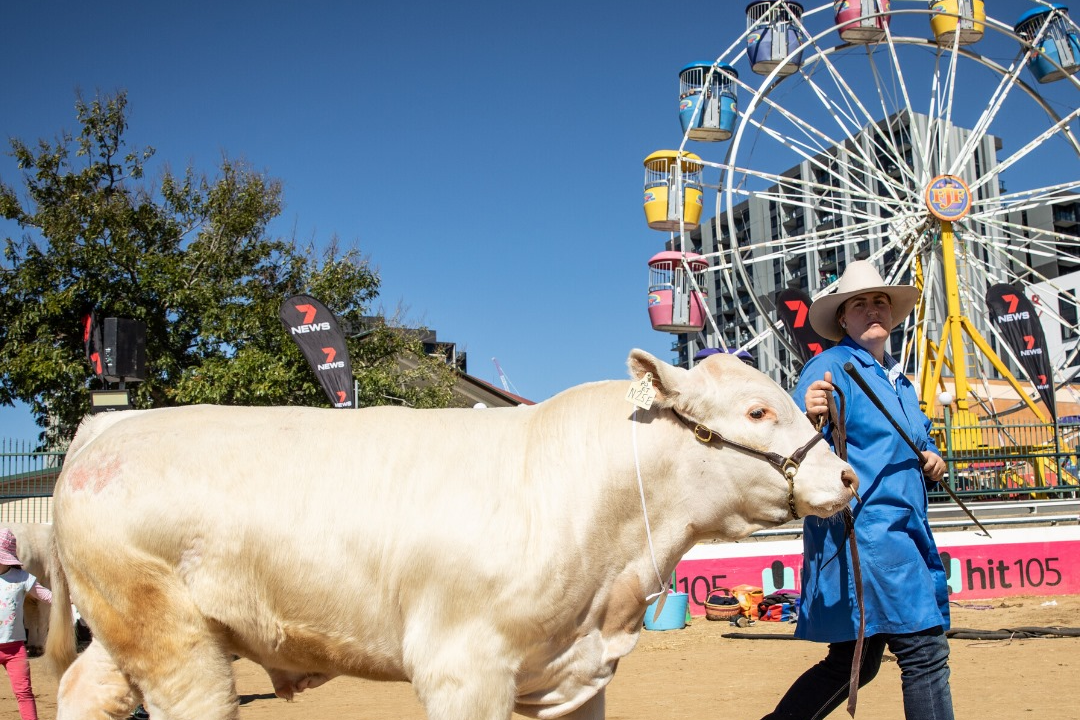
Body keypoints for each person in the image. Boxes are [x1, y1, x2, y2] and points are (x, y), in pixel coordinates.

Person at [761, 260, 954, 720]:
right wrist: (808, 413)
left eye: (880, 302)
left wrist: (933, 459)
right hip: (869, 535)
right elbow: (798, 445)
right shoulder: (828, 368)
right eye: (861, 303)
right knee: (925, 653)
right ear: (843, 319)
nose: (873, 310)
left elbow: (920, 439)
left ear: (892, 314)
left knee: (854, 663)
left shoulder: (900, 381)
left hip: (904, 532)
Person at [0, 528, 52, 720]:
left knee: (24, 693)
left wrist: (69, 599)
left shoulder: (22, 578)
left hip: (15, 650)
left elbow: (45, 595)